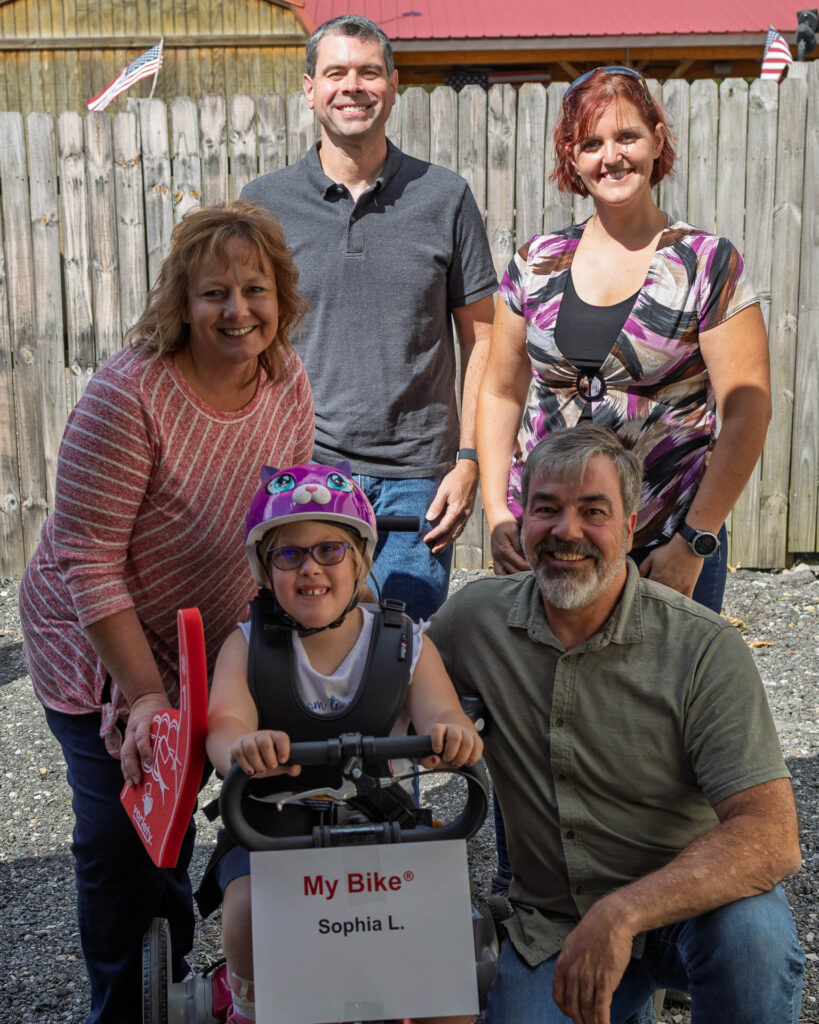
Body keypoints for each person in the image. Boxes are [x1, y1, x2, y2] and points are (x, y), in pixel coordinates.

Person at [19, 201, 315, 1024]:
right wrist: (148, 699)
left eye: (254, 289)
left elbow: (282, 514)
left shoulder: (286, 377)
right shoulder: (130, 396)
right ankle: (123, 1003)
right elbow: (88, 560)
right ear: (180, 303)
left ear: (280, 296)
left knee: (202, 808)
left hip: (204, 635)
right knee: (124, 835)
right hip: (98, 638)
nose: (236, 311)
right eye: (213, 292)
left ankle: (184, 971)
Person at [427, 425, 804, 1024]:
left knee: (755, 939)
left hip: (687, 910)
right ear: (522, 522)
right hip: (551, 924)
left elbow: (772, 837)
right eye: (546, 509)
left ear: (631, 528)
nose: (566, 531)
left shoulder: (702, 647)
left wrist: (623, 913)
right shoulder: (474, 621)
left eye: (592, 512)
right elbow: (386, 693)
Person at [477, 65, 771, 615]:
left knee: (661, 698)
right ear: (572, 157)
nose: (610, 156)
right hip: (550, 543)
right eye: (591, 142)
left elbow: (746, 413)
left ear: (657, 140)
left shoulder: (708, 264)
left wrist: (696, 541)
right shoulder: (534, 264)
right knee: (541, 695)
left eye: (627, 136)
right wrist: (497, 514)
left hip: (664, 540)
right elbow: (500, 391)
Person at [201, 462, 483, 1024]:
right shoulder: (246, 647)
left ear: (361, 560)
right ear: (264, 569)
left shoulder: (405, 644)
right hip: (272, 823)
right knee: (247, 909)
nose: (311, 569)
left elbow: (443, 710)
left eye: (330, 551)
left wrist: (450, 734)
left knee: (448, 947)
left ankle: (424, 1002)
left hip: (382, 822)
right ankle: (253, 1004)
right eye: (289, 555)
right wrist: (241, 747)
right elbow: (225, 722)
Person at [241, 14, 497, 621]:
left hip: (420, 478)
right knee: (309, 641)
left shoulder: (444, 197)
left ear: (393, 83)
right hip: (307, 467)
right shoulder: (265, 204)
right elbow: (240, 340)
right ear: (310, 88)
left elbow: (485, 338)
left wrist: (470, 462)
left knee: (399, 643)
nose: (352, 86)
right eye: (335, 73)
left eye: (368, 72)